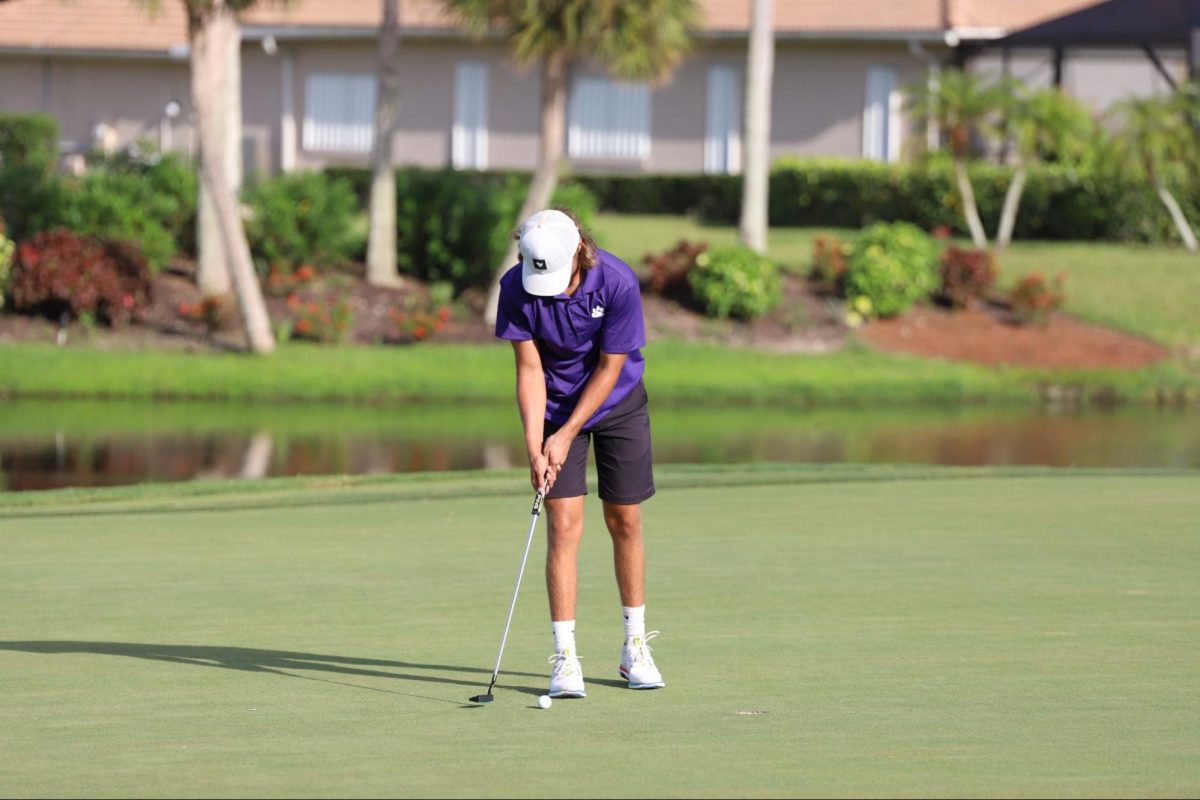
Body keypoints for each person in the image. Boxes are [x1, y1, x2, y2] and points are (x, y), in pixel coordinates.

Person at [494, 208, 664, 698]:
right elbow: (528, 369)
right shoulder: (516, 288)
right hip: (553, 406)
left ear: (579, 254)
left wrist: (566, 434)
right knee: (563, 524)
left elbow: (611, 368)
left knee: (625, 520)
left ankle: (635, 647)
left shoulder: (617, 282)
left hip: (618, 404)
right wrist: (534, 445)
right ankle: (565, 657)